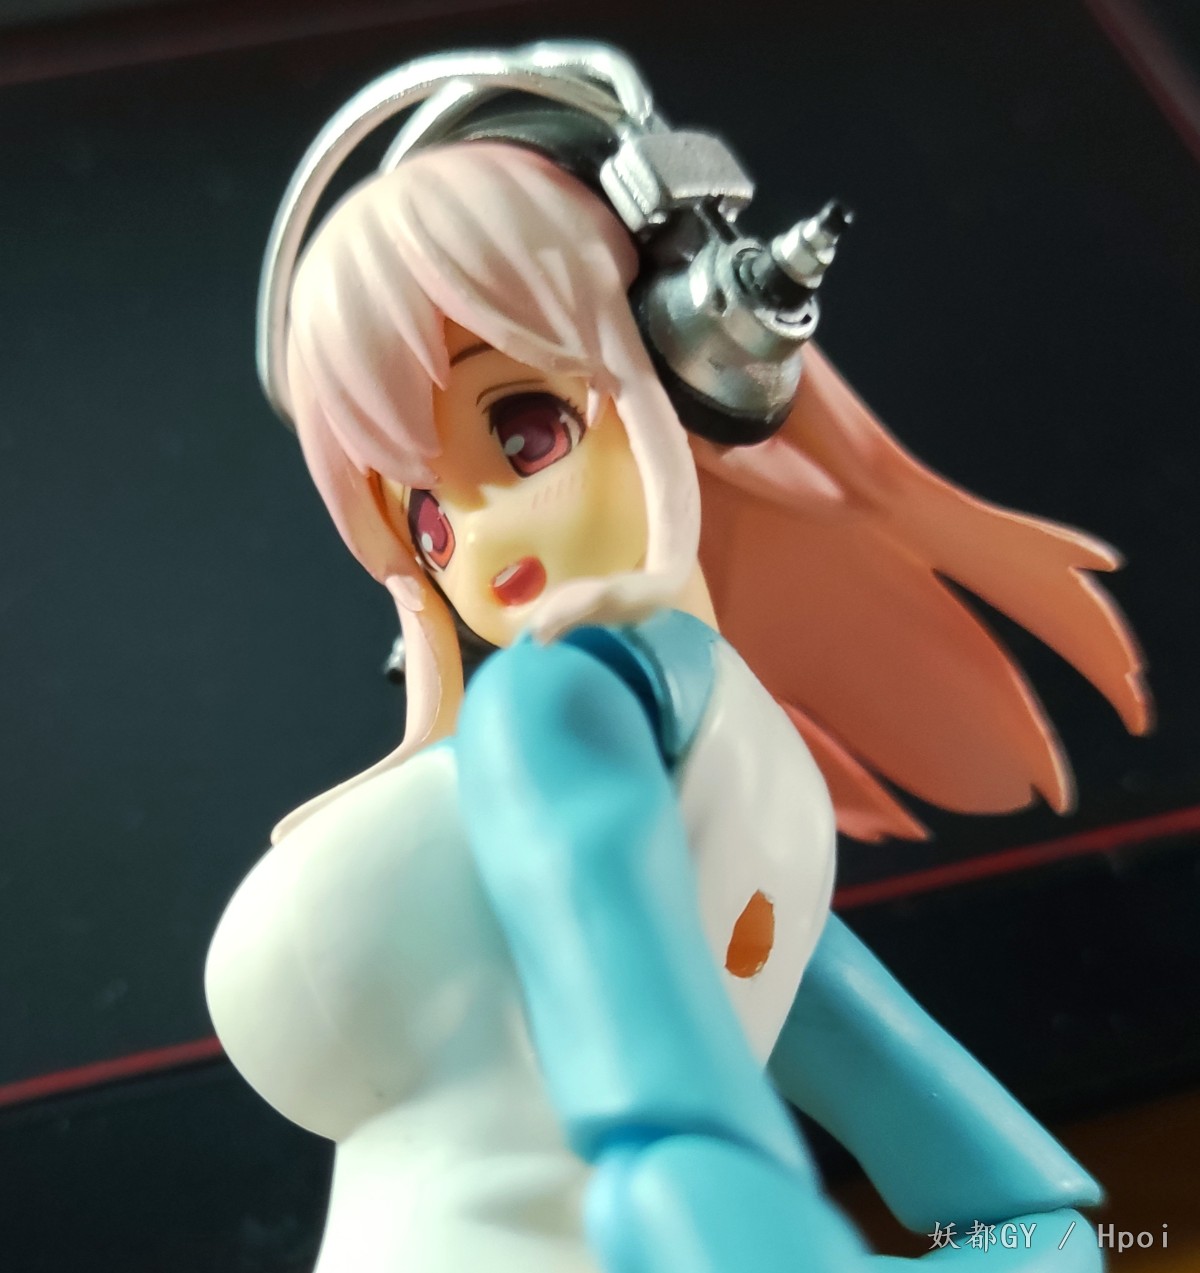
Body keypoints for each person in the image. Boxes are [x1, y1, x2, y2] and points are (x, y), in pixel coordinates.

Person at [207, 130, 1147, 1273]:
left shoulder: (696, 754)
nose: (485, 538)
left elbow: (955, 1159)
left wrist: (1037, 1235)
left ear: (690, 372)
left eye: (525, 433)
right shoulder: (565, 710)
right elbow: (673, 1133)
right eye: (431, 522)